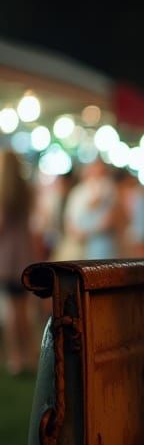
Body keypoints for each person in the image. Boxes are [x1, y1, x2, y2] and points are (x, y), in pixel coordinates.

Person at [0, 150, 40, 375]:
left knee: (11, 310)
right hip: (24, 254)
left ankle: (15, 358)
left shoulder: (3, 191)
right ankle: (30, 355)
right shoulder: (26, 189)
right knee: (24, 309)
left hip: (7, 257)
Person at [63, 158, 121, 259]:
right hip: (80, 244)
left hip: (100, 244)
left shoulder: (109, 190)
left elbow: (109, 221)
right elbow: (70, 220)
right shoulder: (78, 192)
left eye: (101, 173)